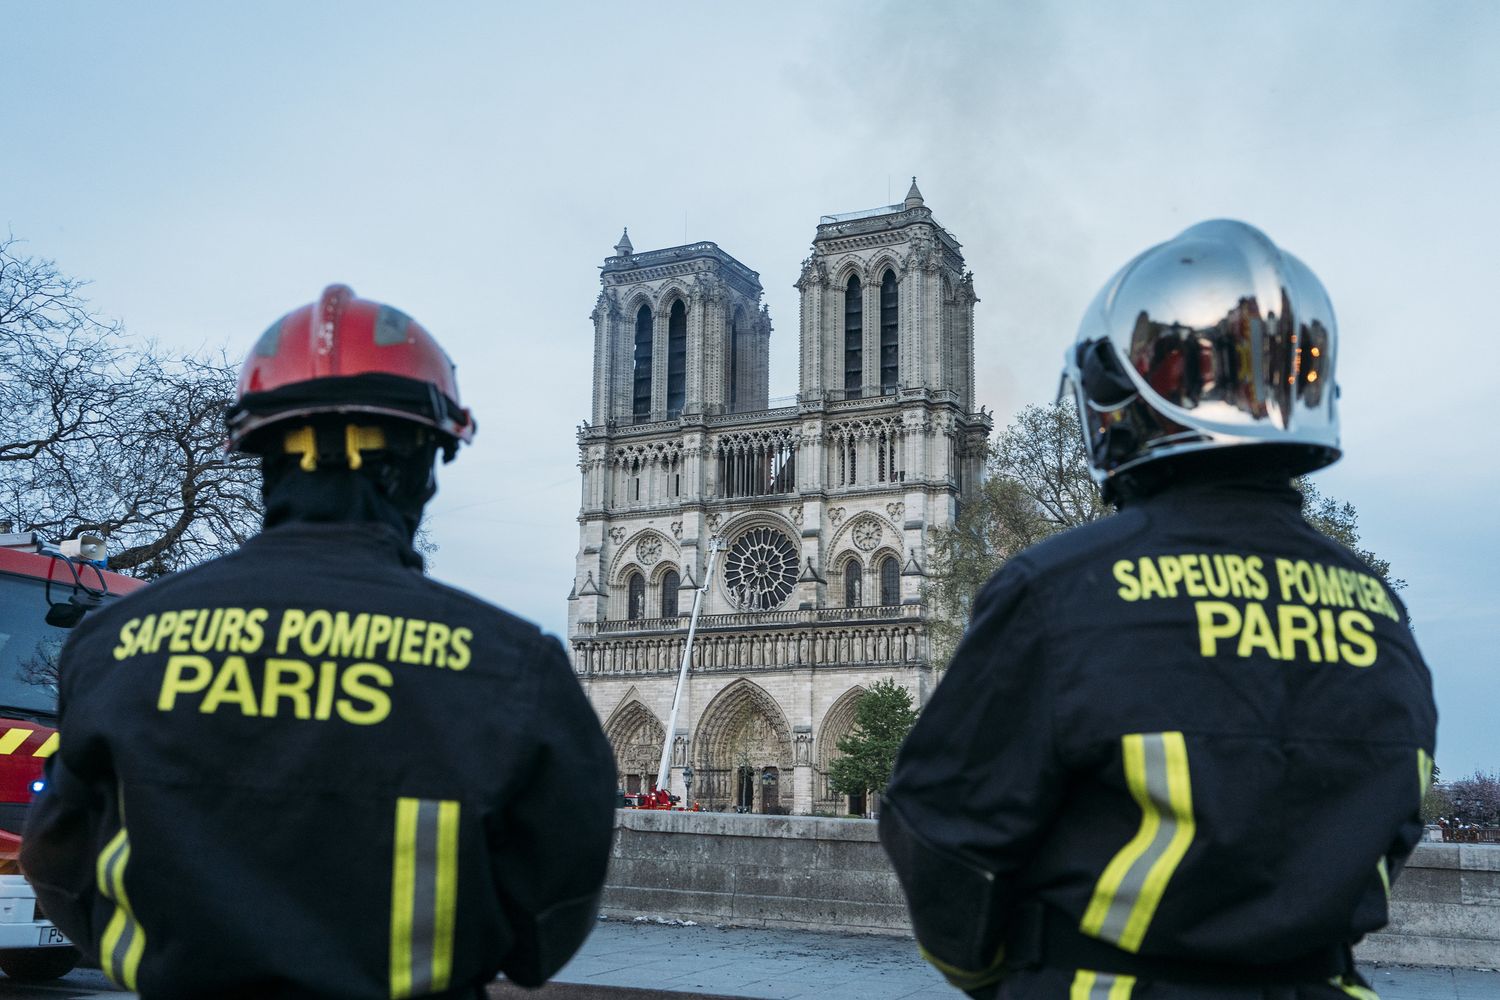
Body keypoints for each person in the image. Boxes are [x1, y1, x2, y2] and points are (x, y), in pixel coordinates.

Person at [879, 221, 1437, 1000]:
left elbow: (939, 829)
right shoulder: (1379, 612)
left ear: (1117, 396)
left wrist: (1018, 973)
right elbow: (1392, 825)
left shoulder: (1057, 590)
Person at [21, 285, 617, 999]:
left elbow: (57, 861)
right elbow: (550, 917)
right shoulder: (512, 666)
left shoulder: (115, 643)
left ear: (259, 454)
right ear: (425, 465)